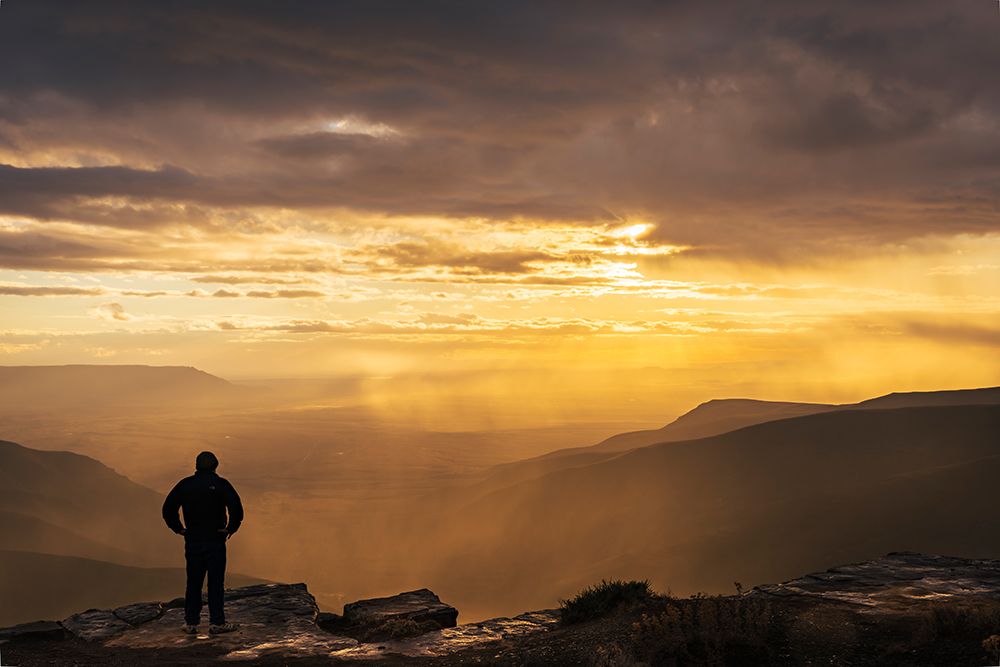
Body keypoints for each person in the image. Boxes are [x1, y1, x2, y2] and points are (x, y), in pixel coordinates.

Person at [162, 451, 244, 635]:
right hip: (215, 540)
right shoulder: (221, 484)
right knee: (215, 583)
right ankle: (217, 623)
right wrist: (230, 528)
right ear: (216, 466)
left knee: (193, 582)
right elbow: (236, 508)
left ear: (196, 466)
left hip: (193, 540)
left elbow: (168, 508)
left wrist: (179, 528)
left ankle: (191, 623)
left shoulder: (185, 485)